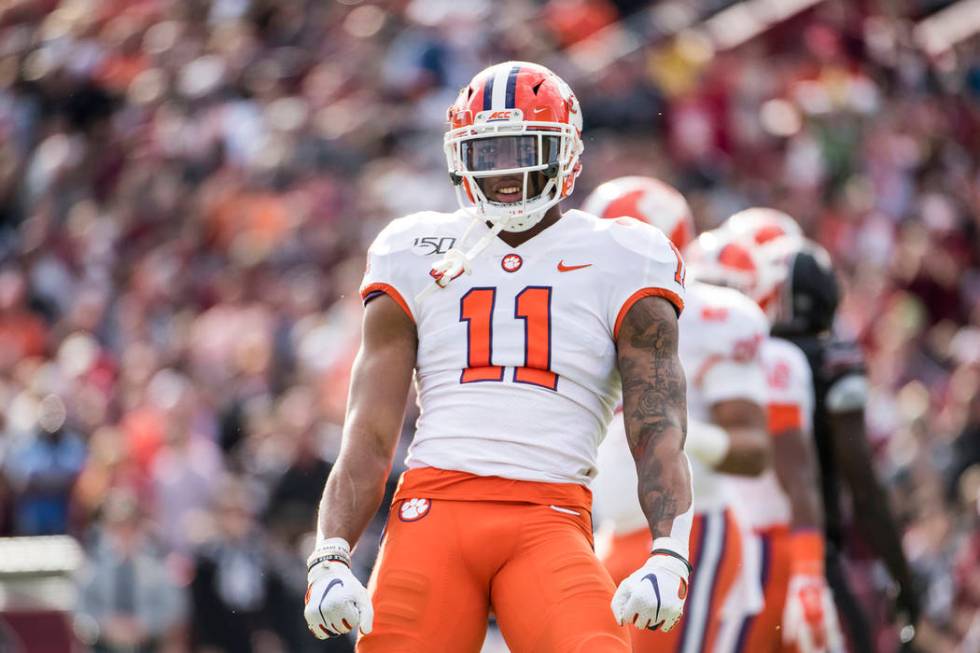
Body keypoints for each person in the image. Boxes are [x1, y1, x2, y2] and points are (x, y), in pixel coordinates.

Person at [303, 61, 694, 652]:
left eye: (524, 148)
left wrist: (669, 549)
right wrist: (330, 552)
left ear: (567, 152)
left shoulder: (623, 254)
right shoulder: (413, 249)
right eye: (487, 153)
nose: (506, 172)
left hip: (551, 513)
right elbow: (369, 428)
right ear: (459, 157)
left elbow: (657, 424)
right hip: (432, 511)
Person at [584, 177, 771, 653]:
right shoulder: (584, 313)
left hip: (692, 531)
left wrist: (665, 426)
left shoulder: (714, 319)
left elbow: (752, 453)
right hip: (612, 534)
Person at [757, 236, 921, 652]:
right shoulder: (833, 360)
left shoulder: (745, 355)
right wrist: (903, 577)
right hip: (809, 554)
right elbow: (862, 485)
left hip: (738, 549)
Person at [689, 217, 842, 653]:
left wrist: (808, 572)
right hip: (723, 539)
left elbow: (797, 472)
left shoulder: (773, 359)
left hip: (763, 547)